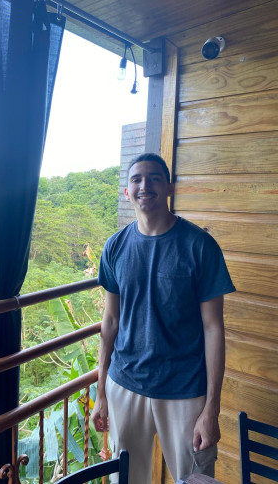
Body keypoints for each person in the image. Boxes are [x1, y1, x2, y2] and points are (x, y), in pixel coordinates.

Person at [91, 153, 235, 484]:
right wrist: (101, 393)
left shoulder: (200, 246)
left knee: (194, 478)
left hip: (185, 391)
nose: (145, 185)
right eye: (136, 179)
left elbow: (213, 328)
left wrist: (211, 408)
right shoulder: (115, 247)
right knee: (127, 478)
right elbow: (110, 322)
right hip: (125, 384)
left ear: (169, 187)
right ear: (127, 192)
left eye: (154, 178)